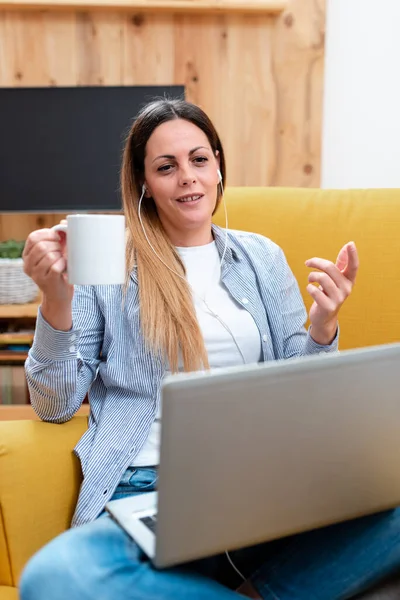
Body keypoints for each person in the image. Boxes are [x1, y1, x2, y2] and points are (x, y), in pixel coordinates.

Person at [18, 98, 400, 600]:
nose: (188, 178)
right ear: (144, 185)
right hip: (150, 491)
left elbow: (303, 398)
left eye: (199, 160)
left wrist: (324, 324)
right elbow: (54, 404)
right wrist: (56, 300)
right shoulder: (110, 261)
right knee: (57, 576)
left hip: (266, 488)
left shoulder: (260, 255)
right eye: (166, 167)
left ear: (218, 166)